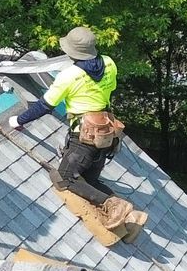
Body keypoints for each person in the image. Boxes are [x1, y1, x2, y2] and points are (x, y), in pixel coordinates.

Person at [7, 27, 121, 206]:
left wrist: (18, 120)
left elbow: (45, 105)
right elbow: (111, 88)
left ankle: (114, 207)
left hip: (83, 138)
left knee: (64, 178)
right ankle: (125, 212)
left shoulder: (69, 75)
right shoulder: (109, 62)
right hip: (105, 132)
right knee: (90, 180)